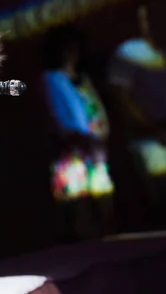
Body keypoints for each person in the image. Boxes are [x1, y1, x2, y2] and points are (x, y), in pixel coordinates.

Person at [108, 4, 166, 227]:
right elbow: (121, 96)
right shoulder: (128, 53)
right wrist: (153, 129)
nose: (147, 25)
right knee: (165, 198)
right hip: (148, 136)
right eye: (143, 20)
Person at [41, 25, 115, 242]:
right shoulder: (51, 79)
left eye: (75, 48)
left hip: (95, 150)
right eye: (67, 48)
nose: (72, 53)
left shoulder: (83, 79)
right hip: (71, 152)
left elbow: (95, 109)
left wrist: (100, 138)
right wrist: (78, 139)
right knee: (79, 210)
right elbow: (57, 115)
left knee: (104, 204)